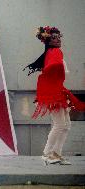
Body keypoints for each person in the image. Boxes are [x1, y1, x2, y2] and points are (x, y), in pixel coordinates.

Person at [24, 26, 77, 165]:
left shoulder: (56, 53)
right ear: (48, 40)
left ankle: (56, 154)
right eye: (54, 37)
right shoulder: (54, 53)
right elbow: (49, 71)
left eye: (59, 37)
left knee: (66, 125)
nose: (58, 39)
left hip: (58, 91)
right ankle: (47, 153)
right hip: (53, 94)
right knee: (60, 124)